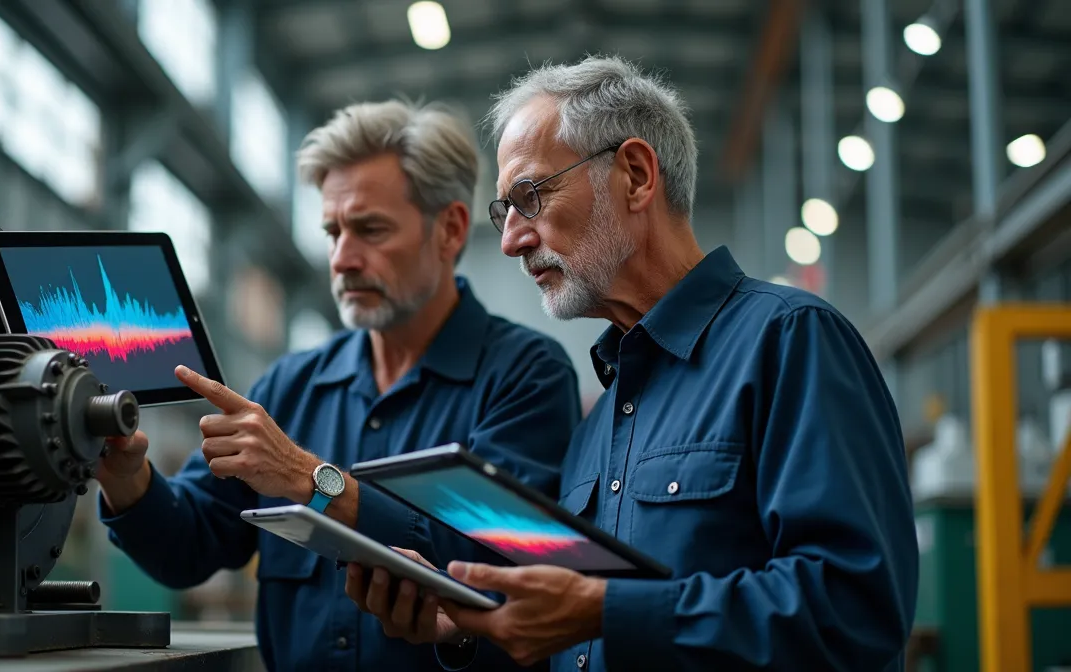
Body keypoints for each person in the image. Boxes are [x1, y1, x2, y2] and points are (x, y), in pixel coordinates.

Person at [347, 56, 919, 671]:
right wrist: (465, 626)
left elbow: (857, 610)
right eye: (503, 212)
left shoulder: (789, 342)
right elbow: (578, 636)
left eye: (530, 196)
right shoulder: (599, 422)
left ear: (637, 176)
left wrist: (611, 609)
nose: (512, 238)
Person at [94, 98, 582, 671]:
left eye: (370, 229)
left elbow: (491, 560)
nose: (343, 259)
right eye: (332, 232)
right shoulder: (289, 387)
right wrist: (127, 480)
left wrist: (311, 482)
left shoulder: (524, 376)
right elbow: (189, 548)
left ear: (449, 229)